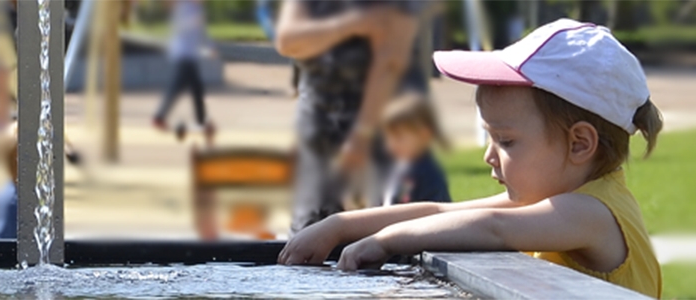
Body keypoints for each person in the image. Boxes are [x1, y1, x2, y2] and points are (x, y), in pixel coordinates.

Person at [278, 18, 665, 297]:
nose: (488, 156)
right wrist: (340, 225)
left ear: (580, 143)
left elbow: (491, 226)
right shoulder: (551, 201)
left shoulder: (592, 213)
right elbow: (443, 213)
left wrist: (386, 240)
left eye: (506, 141)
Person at [273, 1, 426, 232]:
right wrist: (355, 23)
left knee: (384, 238)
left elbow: (390, 62)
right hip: (317, 127)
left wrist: (361, 136)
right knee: (307, 237)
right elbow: (288, 41)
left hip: (383, 131)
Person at [152, 0, 215, 145]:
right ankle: (161, 117)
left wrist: (210, 47)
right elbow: (178, 27)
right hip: (181, 53)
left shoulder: (197, 9)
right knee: (189, 88)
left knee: (191, 88)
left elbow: (201, 32)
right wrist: (192, 22)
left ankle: (161, 117)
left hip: (190, 55)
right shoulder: (183, 6)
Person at [377, 98, 450, 206]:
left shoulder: (428, 175)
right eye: (388, 137)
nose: (390, 144)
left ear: (423, 135)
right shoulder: (399, 166)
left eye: (398, 137)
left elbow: (433, 213)